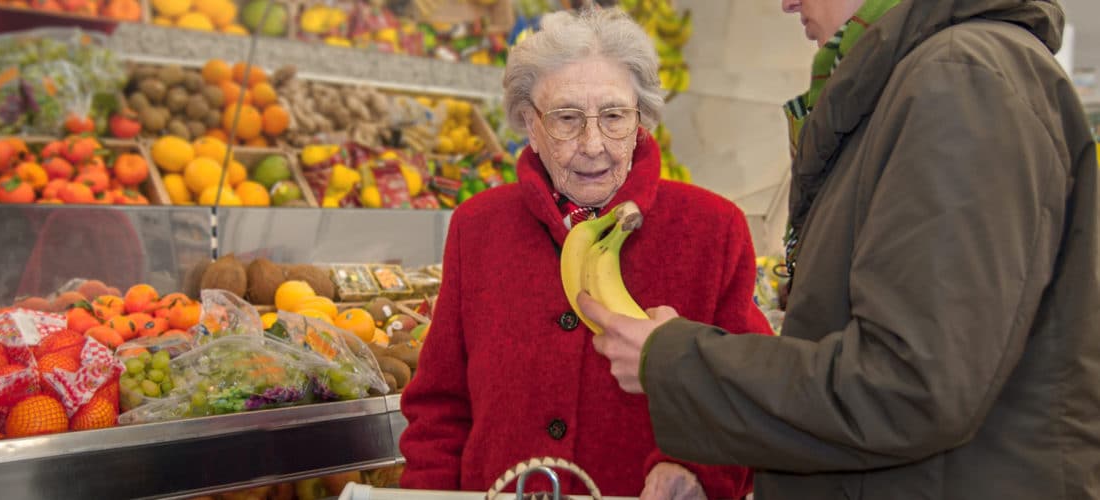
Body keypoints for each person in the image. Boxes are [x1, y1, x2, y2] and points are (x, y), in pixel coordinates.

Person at [581, 0, 1100, 499]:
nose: (787, 4)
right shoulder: (922, 80)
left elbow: (909, 386)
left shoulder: (959, 81)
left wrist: (676, 361)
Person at [398, 7, 774, 499]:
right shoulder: (478, 227)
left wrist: (696, 472)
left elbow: (744, 393)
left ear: (642, 122)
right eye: (567, 119)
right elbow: (440, 409)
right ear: (530, 126)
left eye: (614, 116)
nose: (593, 144)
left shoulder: (712, 229)